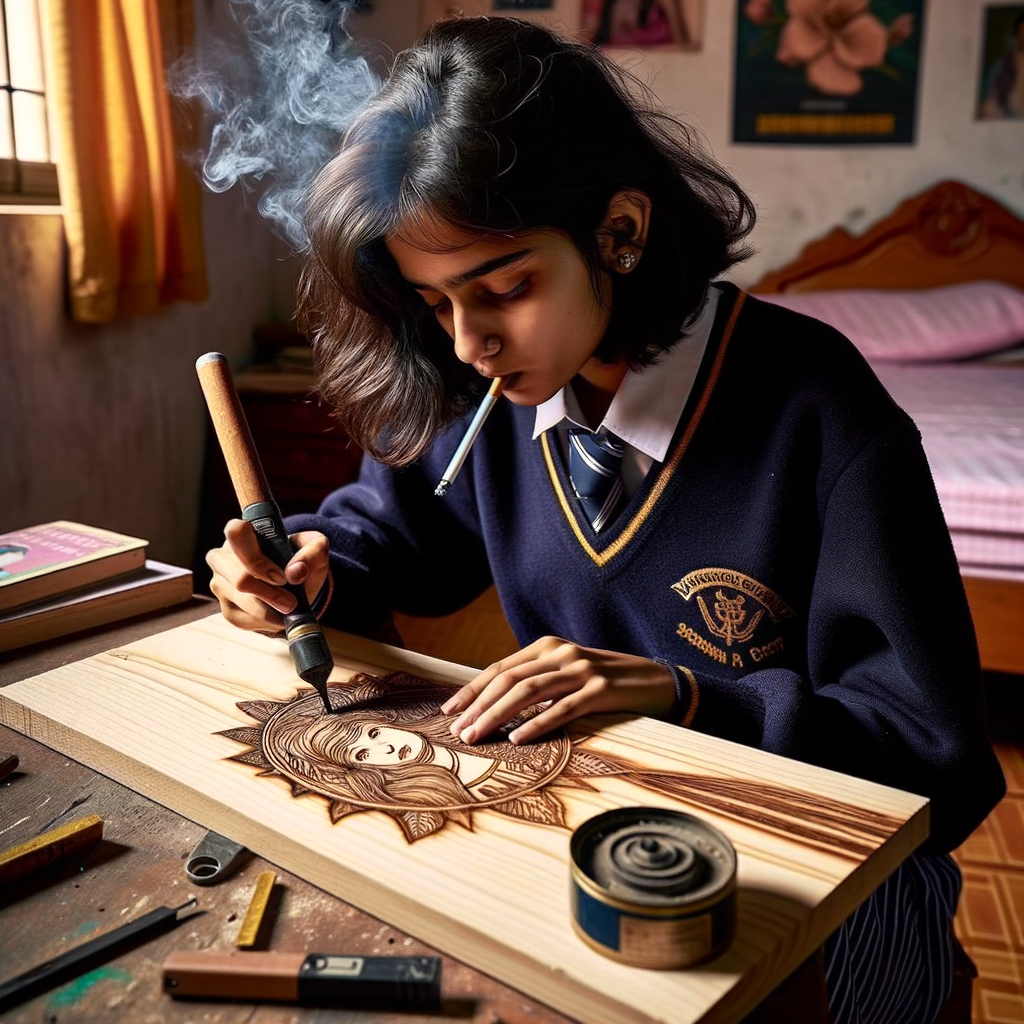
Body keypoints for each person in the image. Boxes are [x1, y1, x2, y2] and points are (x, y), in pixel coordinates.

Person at [206, 15, 1005, 1024]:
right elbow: (391, 538)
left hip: (825, 877)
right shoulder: (486, 388)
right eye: (434, 303)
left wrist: (686, 694)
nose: (468, 343)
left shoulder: (820, 411)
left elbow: (937, 759)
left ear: (620, 232)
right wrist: (304, 571)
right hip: (594, 832)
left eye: (503, 288)